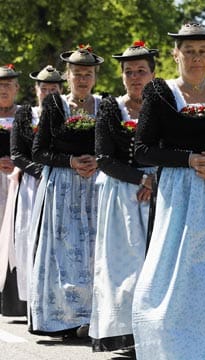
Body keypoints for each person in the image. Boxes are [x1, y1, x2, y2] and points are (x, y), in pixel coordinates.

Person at [131, 22, 205, 360]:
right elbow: (142, 150)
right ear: (175, 54)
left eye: (202, 51)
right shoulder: (161, 93)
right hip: (178, 195)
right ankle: (172, 348)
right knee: (174, 275)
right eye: (189, 51)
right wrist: (189, 159)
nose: (196, 58)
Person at [30, 45, 103, 337]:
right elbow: (39, 151)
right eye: (76, 74)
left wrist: (97, 161)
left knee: (93, 252)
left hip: (95, 185)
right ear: (68, 76)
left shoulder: (103, 105)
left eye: (87, 74)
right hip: (62, 185)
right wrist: (70, 161)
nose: (82, 79)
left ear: (95, 76)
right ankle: (62, 317)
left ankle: (92, 316)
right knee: (63, 252)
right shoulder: (55, 106)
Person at [89, 40, 156, 353]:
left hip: (158, 193)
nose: (135, 77)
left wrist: (154, 180)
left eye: (141, 71)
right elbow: (104, 158)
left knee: (154, 266)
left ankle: (152, 332)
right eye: (129, 72)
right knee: (124, 267)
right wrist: (140, 178)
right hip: (122, 197)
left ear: (153, 74)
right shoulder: (110, 108)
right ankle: (126, 334)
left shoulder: (163, 107)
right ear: (122, 77)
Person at [12, 65, 64, 307]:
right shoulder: (25, 115)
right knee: (28, 238)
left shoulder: (66, 115)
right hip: (33, 184)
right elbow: (17, 155)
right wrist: (40, 171)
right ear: (36, 90)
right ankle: (30, 296)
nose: (48, 94)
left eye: (53, 89)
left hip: (61, 181)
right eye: (44, 89)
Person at [0, 64, 23, 317]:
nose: (3, 90)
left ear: (17, 88)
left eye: (8, 85)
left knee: (13, 237)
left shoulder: (26, 115)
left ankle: (11, 296)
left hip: (17, 180)